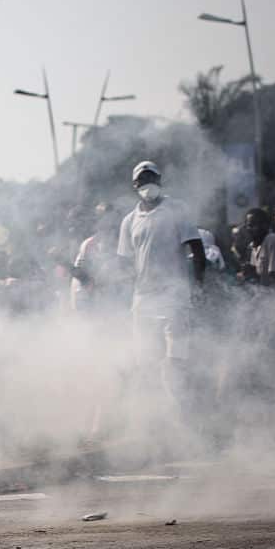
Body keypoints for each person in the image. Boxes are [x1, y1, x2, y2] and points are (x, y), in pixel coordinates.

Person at [117, 161, 205, 429]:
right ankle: (156, 425)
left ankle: (190, 422)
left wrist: (198, 288)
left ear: (160, 179)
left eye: (152, 177)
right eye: (142, 179)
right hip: (142, 299)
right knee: (146, 364)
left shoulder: (177, 209)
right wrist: (123, 296)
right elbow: (124, 263)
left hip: (174, 295)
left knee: (174, 364)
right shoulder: (129, 220)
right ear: (135, 185)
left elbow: (197, 251)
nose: (148, 183)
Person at [240, 208, 275, 288]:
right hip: (263, 296)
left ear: (265, 225)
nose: (249, 229)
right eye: (248, 226)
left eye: (253, 225)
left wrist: (254, 275)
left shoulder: (272, 240)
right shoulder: (253, 246)